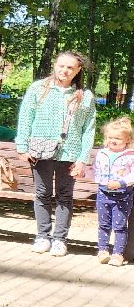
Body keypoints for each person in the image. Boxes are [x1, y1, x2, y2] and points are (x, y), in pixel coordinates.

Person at [16, 51, 97, 257]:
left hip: (70, 153)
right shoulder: (38, 89)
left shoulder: (85, 96)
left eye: (70, 67)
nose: (65, 70)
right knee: (42, 194)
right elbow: (26, 117)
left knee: (64, 196)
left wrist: (82, 159)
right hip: (40, 151)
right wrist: (22, 147)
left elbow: (89, 129)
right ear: (55, 65)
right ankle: (42, 236)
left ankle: (60, 239)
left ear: (78, 70)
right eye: (61, 66)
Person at [93, 116, 134, 266]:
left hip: (123, 195)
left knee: (120, 226)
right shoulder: (102, 153)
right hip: (103, 193)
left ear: (127, 139)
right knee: (103, 224)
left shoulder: (130, 155)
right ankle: (103, 250)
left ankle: (118, 254)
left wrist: (121, 183)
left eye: (117, 138)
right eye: (110, 137)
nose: (113, 140)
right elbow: (95, 169)